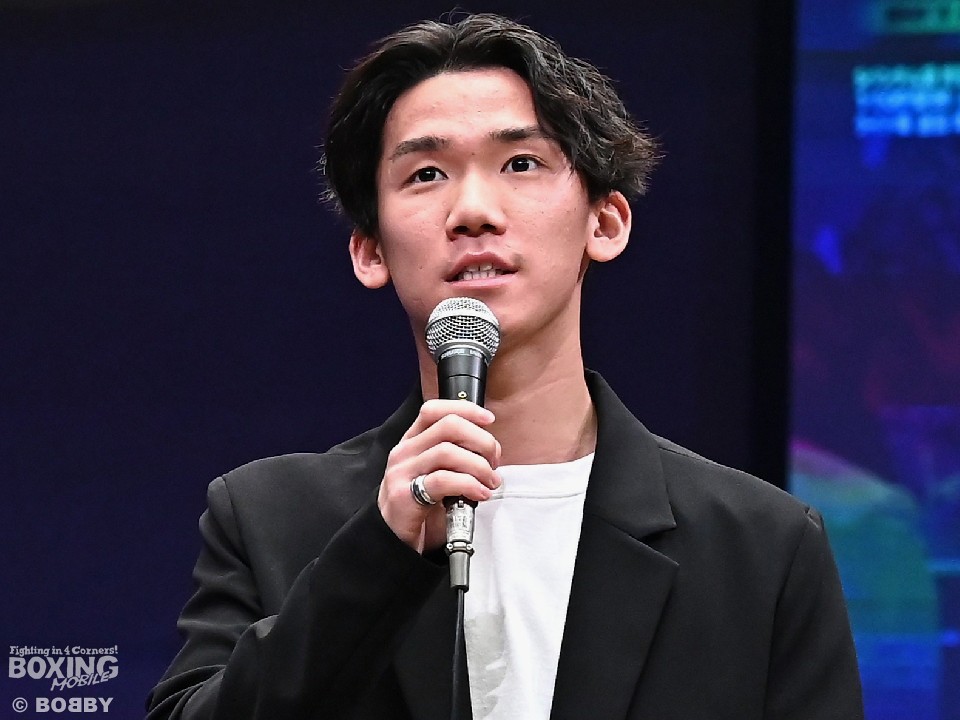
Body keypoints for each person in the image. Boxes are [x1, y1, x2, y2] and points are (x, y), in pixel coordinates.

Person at [146, 13, 863, 720]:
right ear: (370, 250)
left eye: (521, 164)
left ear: (605, 222)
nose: (473, 210)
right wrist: (378, 551)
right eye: (426, 173)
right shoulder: (270, 518)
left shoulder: (760, 546)